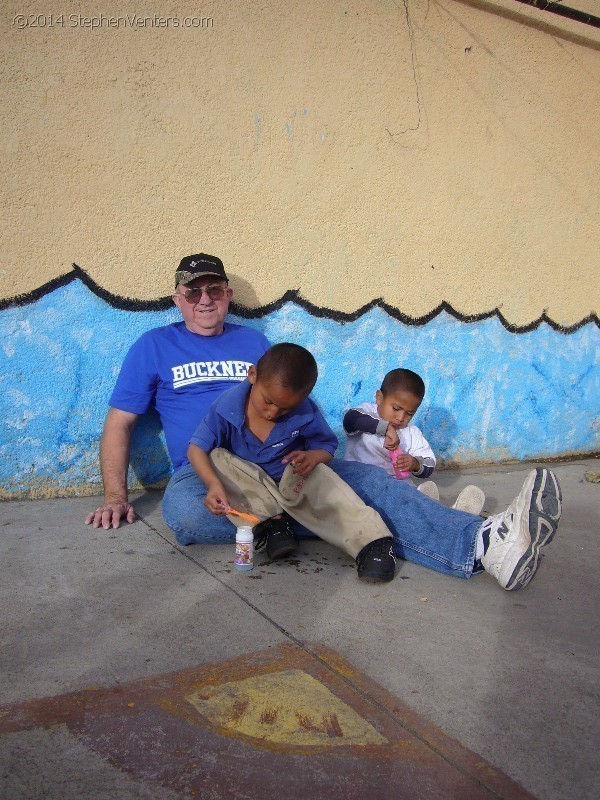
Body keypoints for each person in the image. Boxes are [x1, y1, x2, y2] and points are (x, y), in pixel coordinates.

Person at [86, 252, 562, 592]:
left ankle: (484, 543)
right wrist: (114, 496)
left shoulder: (256, 345)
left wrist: (316, 455)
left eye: (214, 289)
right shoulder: (153, 346)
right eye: (194, 291)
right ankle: (350, 522)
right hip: (213, 471)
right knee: (186, 513)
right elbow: (120, 424)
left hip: (285, 462)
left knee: (368, 481)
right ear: (178, 298)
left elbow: (301, 409)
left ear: (227, 294)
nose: (205, 300)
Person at [187, 342, 396, 582]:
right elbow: (195, 449)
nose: (273, 413)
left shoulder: (305, 411)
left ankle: (373, 541)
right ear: (252, 375)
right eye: (268, 401)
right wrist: (213, 485)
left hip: (292, 477)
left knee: (325, 479)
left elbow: (327, 446)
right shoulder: (226, 407)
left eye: (285, 408)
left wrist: (314, 456)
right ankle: (273, 525)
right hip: (249, 486)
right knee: (216, 459)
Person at [343, 368, 485, 515]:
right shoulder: (367, 412)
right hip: (362, 484)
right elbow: (351, 419)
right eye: (396, 408)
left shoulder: (411, 432)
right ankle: (432, 509)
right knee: (403, 505)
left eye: (409, 413)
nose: (400, 417)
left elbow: (429, 462)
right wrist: (384, 428)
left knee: (406, 496)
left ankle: (448, 512)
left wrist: (415, 464)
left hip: (396, 487)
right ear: (379, 398)